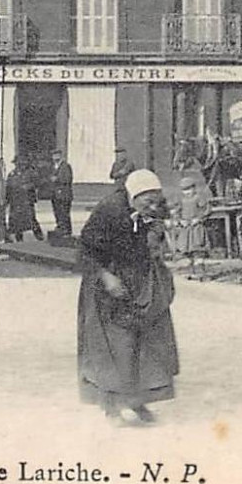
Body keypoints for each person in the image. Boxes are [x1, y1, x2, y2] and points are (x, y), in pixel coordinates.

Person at [77, 169, 180, 425]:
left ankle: (137, 400)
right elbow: (85, 250)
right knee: (115, 347)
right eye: (149, 201)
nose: (154, 206)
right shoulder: (109, 210)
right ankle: (111, 407)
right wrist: (106, 276)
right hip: (107, 284)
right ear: (135, 195)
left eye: (157, 201)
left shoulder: (151, 206)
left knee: (147, 344)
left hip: (140, 280)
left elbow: (159, 222)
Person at [5, 160, 44, 244]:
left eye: (21, 164)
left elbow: (38, 183)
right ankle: (18, 237)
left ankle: (39, 235)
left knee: (31, 218)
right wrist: (7, 200)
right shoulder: (12, 174)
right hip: (15, 200)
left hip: (26, 200)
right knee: (15, 220)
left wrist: (29, 186)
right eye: (17, 164)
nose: (19, 165)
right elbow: (8, 187)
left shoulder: (30, 173)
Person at [47, 148, 75, 246]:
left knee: (64, 213)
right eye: (53, 155)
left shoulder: (65, 166)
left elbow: (67, 179)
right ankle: (61, 228)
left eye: (57, 155)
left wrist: (57, 179)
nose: (55, 157)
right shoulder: (53, 167)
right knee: (57, 213)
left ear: (60, 155)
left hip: (64, 195)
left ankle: (66, 231)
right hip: (55, 195)